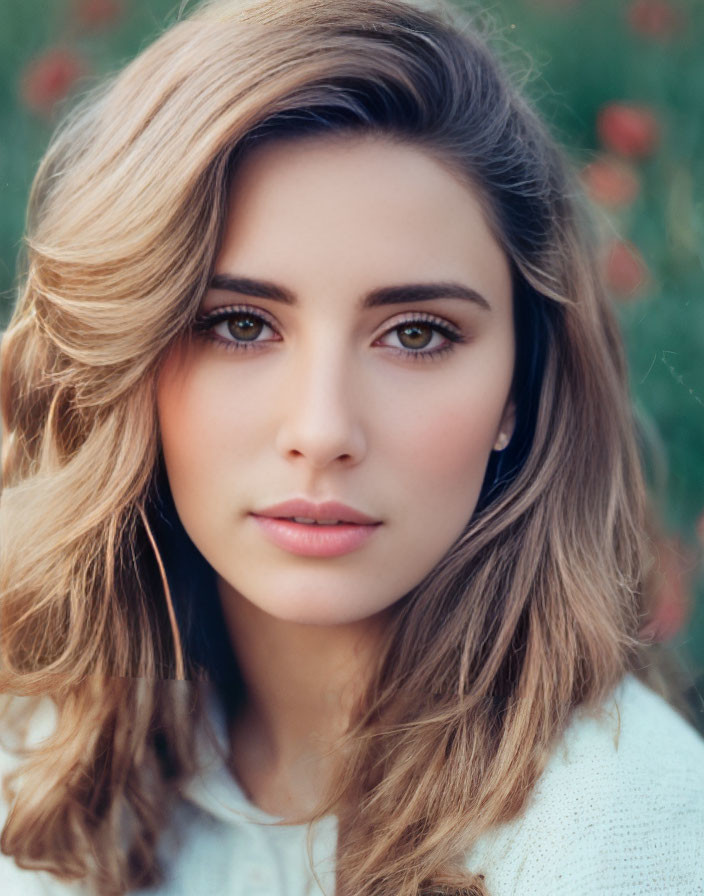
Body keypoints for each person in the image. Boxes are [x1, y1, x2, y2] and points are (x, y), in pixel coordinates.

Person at [1, 0, 702, 893]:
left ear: (519, 392)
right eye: (240, 324)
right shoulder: (38, 759)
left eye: (415, 335)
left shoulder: (616, 832)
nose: (323, 430)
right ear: (128, 354)